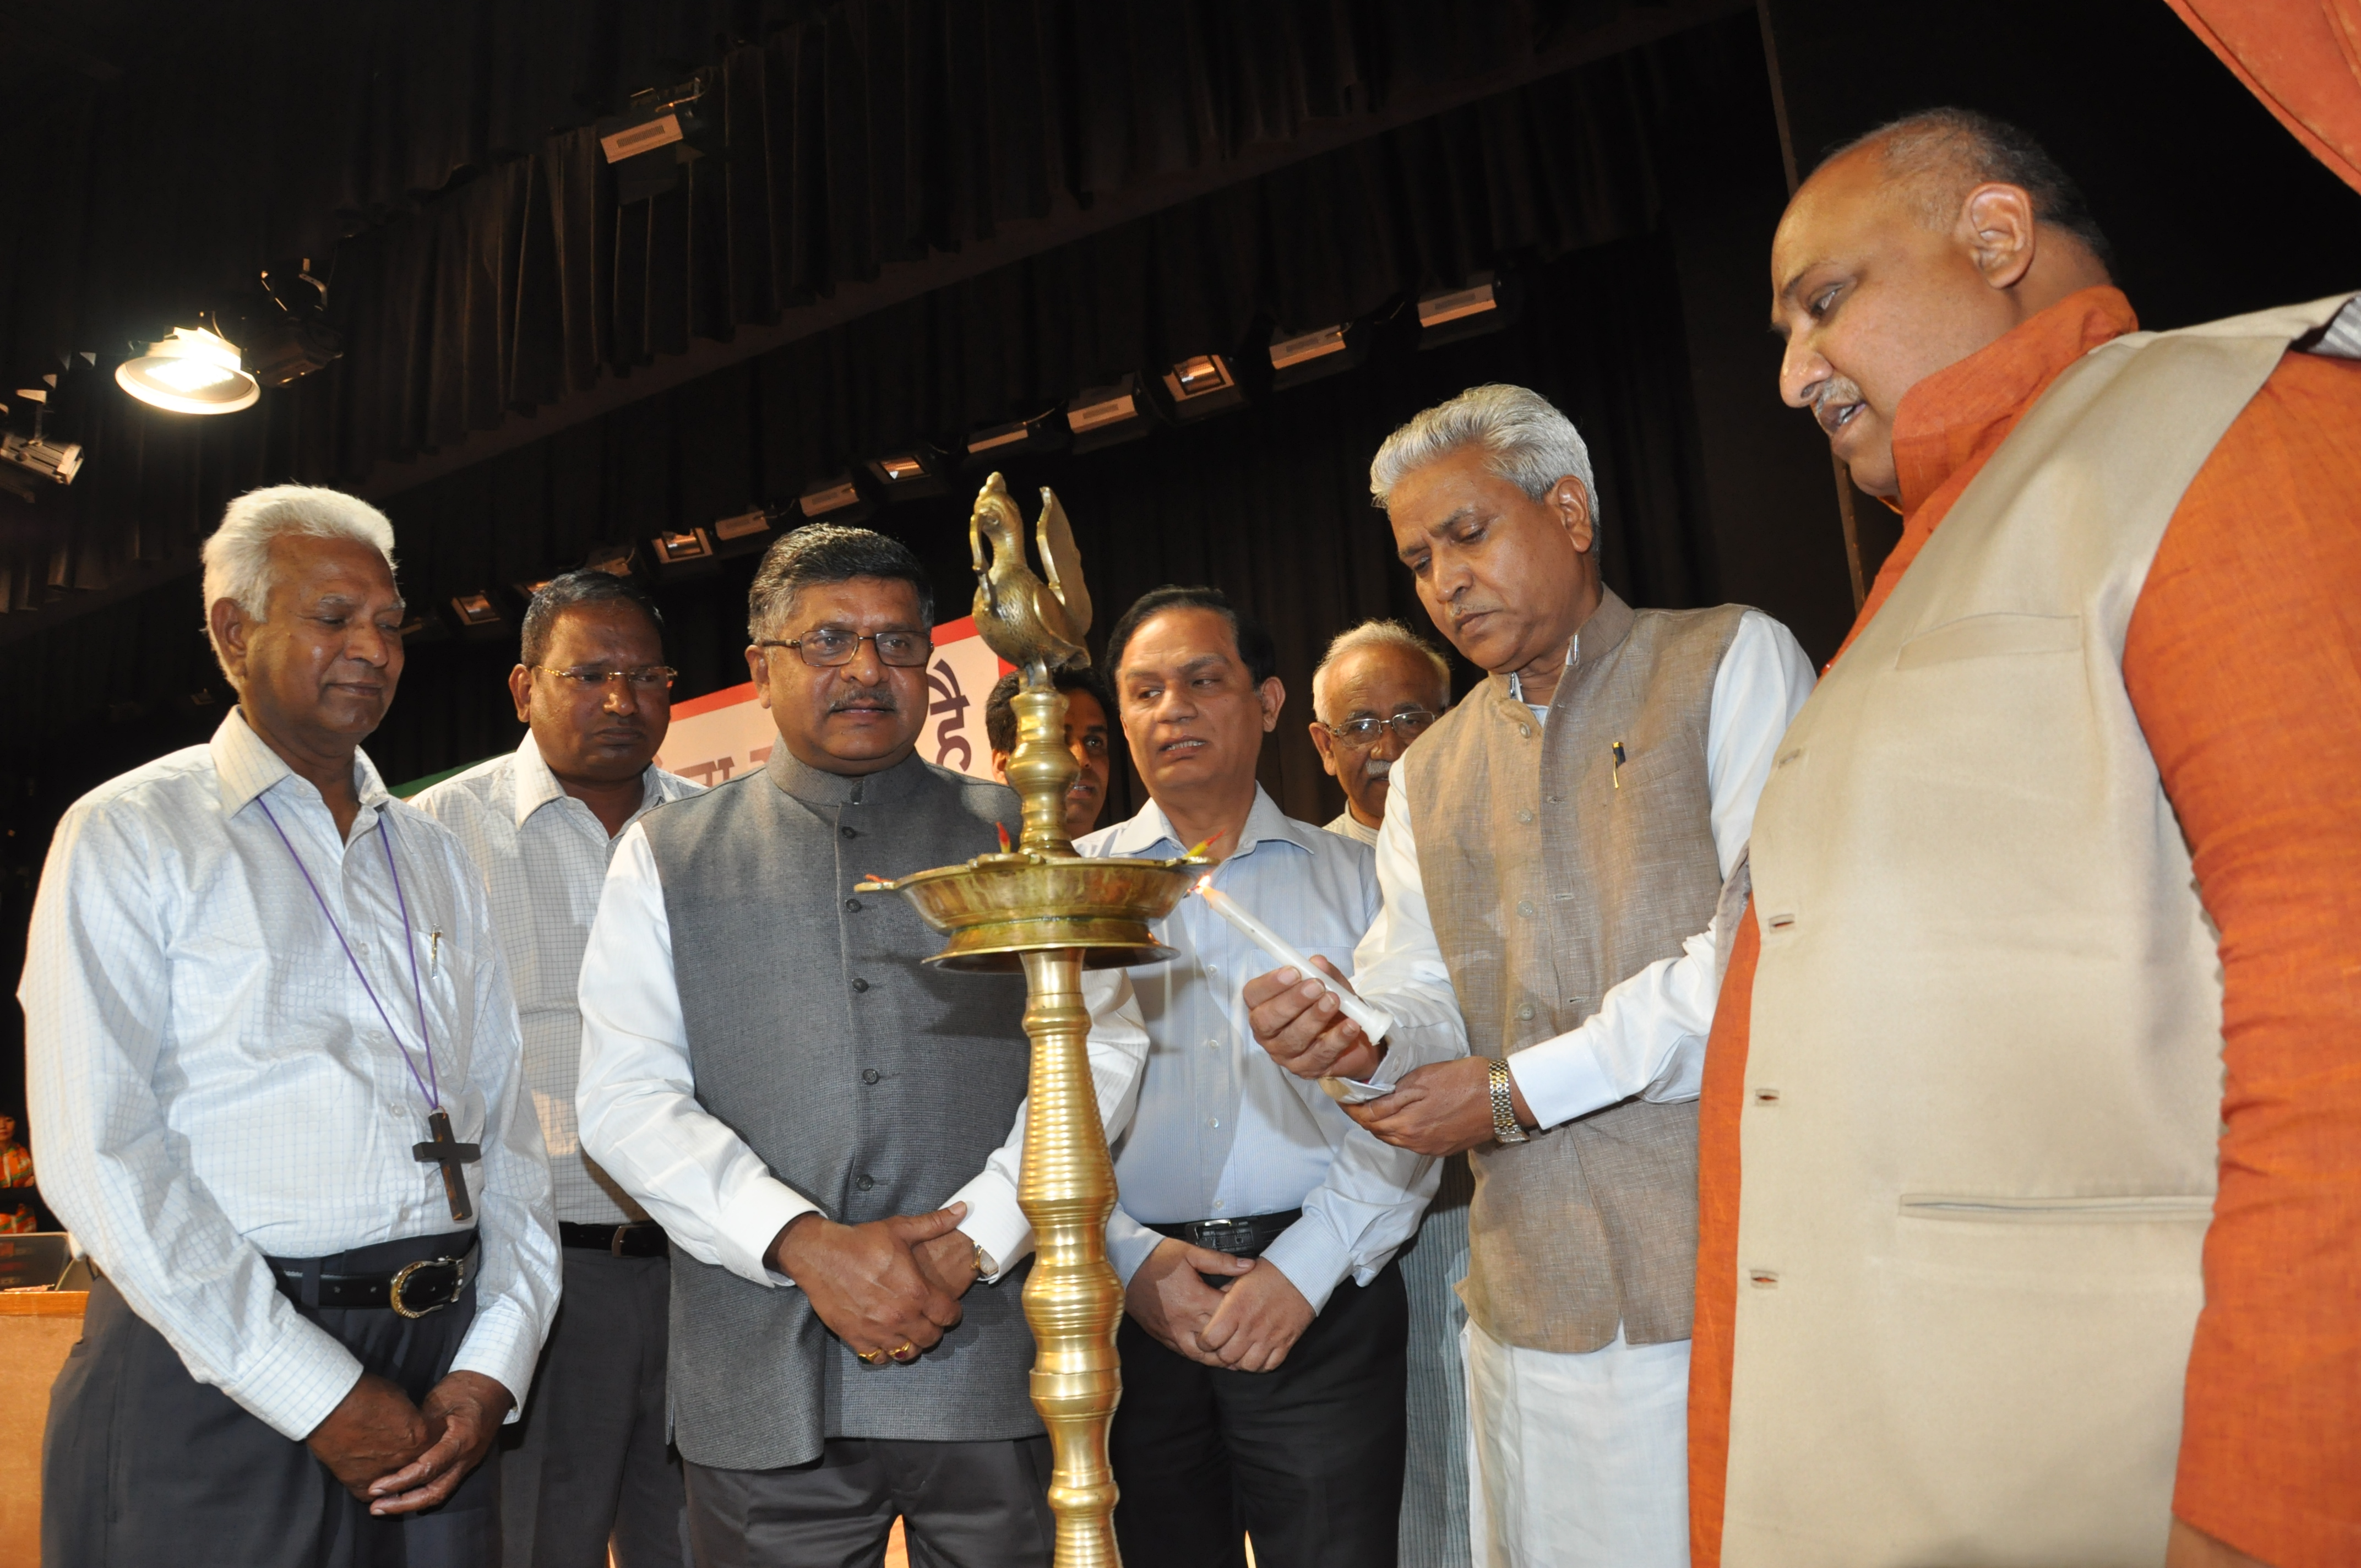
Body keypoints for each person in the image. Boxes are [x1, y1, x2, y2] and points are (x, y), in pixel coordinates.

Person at [1686, 110, 2361, 1568]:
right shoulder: (1947, 551)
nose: (1794, 372)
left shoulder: (2232, 421)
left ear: (1995, 240)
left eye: (1825, 302)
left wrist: (2271, 1507)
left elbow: (2342, 994)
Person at [1247, 385, 1815, 1568]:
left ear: (1568, 511)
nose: (1443, 579)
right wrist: (1352, 1031)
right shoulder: (1429, 771)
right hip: (1527, 1299)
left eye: (1466, 533)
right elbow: (1420, 991)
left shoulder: (1726, 661)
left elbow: (1757, 958)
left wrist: (1506, 1092)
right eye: (1415, 558)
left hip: (1731, 1266)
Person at [574, 524, 1148, 1568]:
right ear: (759, 669)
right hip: (758, 1364)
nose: (865, 670)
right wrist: (800, 1240)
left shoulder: (1022, 835)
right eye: (828, 640)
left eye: (895, 643)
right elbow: (623, 1096)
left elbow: (1103, 1051)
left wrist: (973, 1233)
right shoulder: (664, 854)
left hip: (993, 1355)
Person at [23, 484, 560, 1568]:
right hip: (221, 1364)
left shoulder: (436, 853)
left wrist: (493, 1357)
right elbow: (100, 1151)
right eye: (332, 616)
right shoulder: (132, 832)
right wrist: (312, 1388)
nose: (372, 645)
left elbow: (506, 1133)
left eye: (388, 620)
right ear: (234, 631)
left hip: (441, 1379)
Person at [1078, 585, 1445, 1568]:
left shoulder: (1366, 882)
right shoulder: (1071, 890)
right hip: (1130, 1309)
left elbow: (1413, 1097)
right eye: (1145, 690)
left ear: (1272, 702)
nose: (1174, 709)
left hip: (1322, 1295)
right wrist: (1129, 1260)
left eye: (1203, 680)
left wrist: (1305, 1268)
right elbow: (1031, 1111)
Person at [416, 570, 701, 1568]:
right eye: (590, 674)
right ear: (522, 685)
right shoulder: (437, 834)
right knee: (537, 1544)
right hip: (536, 1280)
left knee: (707, 1544)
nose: (622, 700)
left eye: (646, 675)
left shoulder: (719, 832)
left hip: (707, 1278)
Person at [1306, 619, 1471, 1568]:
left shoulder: (1502, 836)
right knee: (1420, 1472)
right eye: (1359, 723)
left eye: (1411, 715)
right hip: (1380, 1226)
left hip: (1513, 1190)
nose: (1387, 745)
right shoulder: (1308, 873)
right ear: (1322, 744)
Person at [1306, 619, 1452, 849]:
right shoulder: (1309, 876)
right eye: (1361, 727)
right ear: (1327, 747)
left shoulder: (1500, 846)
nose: (1390, 751)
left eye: (1410, 722)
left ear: (1450, 729)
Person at [983, 665, 1113, 841]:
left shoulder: (1134, 865)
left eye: (1094, 742)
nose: (1082, 760)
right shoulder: (984, 865)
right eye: (1056, 740)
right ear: (1003, 766)